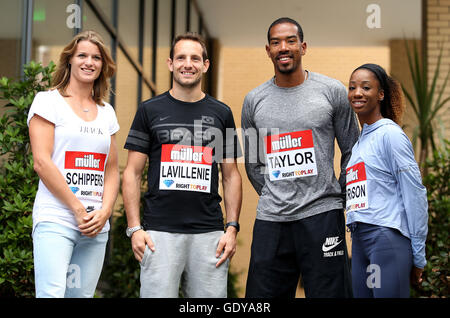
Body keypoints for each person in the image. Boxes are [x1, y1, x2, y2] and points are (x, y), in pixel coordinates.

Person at [241, 17, 359, 298]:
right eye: (276, 42)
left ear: (303, 47)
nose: (284, 47)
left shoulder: (331, 92)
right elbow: (253, 163)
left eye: (290, 41)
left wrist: (336, 195)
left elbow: (353, 150)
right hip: (272, 219)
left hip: (322, 216)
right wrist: (274, 192)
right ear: (268, 50)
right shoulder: (253, 100)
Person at [122, 32, 242, 298]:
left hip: (209, 233)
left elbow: (231, 175)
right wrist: (134, 229)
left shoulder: (221, 113)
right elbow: (131, 172)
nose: (188, 64)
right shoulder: (149, 110)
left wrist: (232, 227)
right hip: (159, 234)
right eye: (181, 58)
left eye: (195, 58)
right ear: (170, 63)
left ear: (205, 65)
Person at [28, 30, 120, 298]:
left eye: (96, 57)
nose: (89, 62)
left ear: (103, 65)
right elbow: (42, 163)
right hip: (56, 219)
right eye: (82, 55)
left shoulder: (107, 112)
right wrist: (78, 209)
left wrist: (105, 212)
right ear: (69, 60)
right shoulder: (48, 102)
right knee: (52, 294)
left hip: (95, 226)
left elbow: (111, 169)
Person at [346, 63, 428, 298]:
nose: (357, 93)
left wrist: (418, 253)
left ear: (381, 94)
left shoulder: (390, 134)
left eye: (366, 87)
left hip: (385, 237)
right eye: (352, 87)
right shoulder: (360, 141)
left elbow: (415, 194)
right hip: (360, 238)